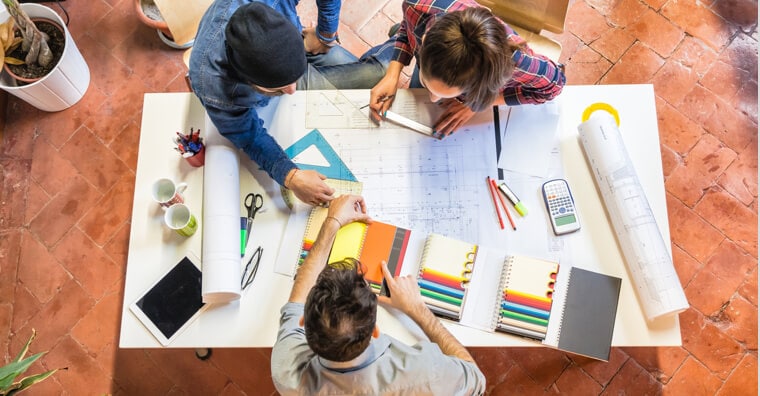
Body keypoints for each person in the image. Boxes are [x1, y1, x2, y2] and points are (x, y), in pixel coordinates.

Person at [271, 194, 486, 395]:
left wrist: (332, 222)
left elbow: (298, 296)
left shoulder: (288, 372)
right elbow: (476, 379)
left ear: (303, 321)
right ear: (374, 331)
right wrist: (418, 310)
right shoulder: (425, 372)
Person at [189, 1, 391, 206]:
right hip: (275, 64)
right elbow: (248, 136)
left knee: (383, 71)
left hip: (298, 47)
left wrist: (324, 34)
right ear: (250, 82)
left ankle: (401, 37)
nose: (293, 91)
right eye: (279, 89)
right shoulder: (212, 85)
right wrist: (291, 177)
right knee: (374, 72)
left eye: (293, 81)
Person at [369, 0, 567, 139]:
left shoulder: (515, 62)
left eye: (462, 93)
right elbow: (407, 28)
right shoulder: (417, 4)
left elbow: (555, 85)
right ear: (425, 39)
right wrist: (393, 72)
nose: (433, 100)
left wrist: (478, 104)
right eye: (428, 85)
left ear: (485, 82)